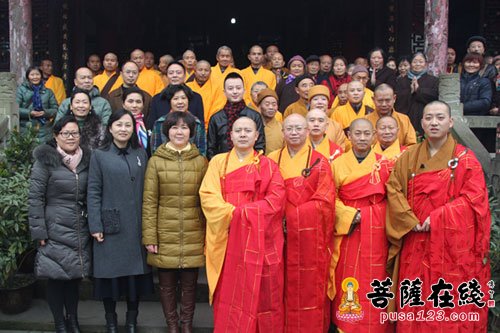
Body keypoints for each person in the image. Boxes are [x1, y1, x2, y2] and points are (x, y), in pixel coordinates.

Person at [386, 100, 491, 333]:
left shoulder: (465, 159)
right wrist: (409, 220)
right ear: (421, 123)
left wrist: (439, 217)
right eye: (429, 118)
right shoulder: (408, 156)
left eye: (440, 117)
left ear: (450, 122)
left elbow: (475, 200)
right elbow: (393, 189)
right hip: (415, 240)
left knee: (447, 299)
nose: (434, 122)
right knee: (415, 296)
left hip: (450, 247)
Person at [200, 117, 286, 332]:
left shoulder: (268, 165)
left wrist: (243, 213)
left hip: (261, 240)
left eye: (248, 130)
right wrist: (234, 214)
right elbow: (208, 197)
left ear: (257, 136)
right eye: (238, 130)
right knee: (229, 290)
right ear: (230, 135)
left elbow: (276, 199)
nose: (243, 134)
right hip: (228, 238)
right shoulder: (218, 162)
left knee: (263, 294)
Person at [87, 109, 154, 333]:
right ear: (110, 128)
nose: (123, 129)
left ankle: (132, 321)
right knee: (110, 278)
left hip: (135, 227)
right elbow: (93, 191)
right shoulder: (99, 155)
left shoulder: (140, 153)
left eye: (127, 125)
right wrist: (95, 224)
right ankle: (111, 322)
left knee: (134, 279)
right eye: (119, 125)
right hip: (110, 225)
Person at [268, 114, 335, 333]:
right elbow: (265, 195)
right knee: (277, 288)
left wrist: (294, 216)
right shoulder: (271, 159)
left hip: (308, 238)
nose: (294, 132)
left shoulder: (319, 161)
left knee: (307, 287)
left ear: (307, 131)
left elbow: (325, 201)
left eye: (299, 128)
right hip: (276, 234)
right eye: (289, 128)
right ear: (282, 132)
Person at [142, 111, 207, 332]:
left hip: (193, 231)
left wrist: (208, 235)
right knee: (167, 285)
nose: (179, 132)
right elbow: (149, 202)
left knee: (190, 285)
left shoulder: (201, 161)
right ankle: (172, 325)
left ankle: (186, 324)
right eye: (174, 127)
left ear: (192, 131)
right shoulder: (155, 161)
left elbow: (205, 202)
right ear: (166, 131)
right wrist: (150, 236)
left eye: (184, 127)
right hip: (164, 232)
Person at [29, 116, 91, 333]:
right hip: (53, 226)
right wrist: (39, 231)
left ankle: (72, 319)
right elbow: (35, 197)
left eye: (75, 133)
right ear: (56, 136)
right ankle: (60, 323)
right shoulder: (45, 161)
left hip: (78, 226)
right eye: (66, 133)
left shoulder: (86, 160)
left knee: (73, 277)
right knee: (56, 276)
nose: (71, 137)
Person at [331, 118, 393, 333]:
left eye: (367, 133)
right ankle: (346, 325)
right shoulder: (337, 163)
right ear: (349, 136)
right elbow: (330, 197)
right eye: (358, 133)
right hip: (349, 230)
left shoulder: (385, 163)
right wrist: (350, 215)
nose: (363, 138)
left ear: (374, 136)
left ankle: (375, 326)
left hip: (377, 231)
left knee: (376, 277)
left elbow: (393, 197)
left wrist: (369, 214)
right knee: (348, 276)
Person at [207, 72, 265, 159]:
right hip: (223, 166)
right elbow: (211, 149)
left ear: (244, 91)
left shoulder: (255, 116)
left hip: (249, 166)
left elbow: (260, 146)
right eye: (230, 88)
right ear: (224, 92)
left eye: (238, 88)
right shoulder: (216, 118)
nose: (235, 91)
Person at [151, 84, 206, 156]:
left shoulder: (197, 124)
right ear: (169, 102)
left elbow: (201, 153)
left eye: (183, 98)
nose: (180, 102)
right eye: (175, 98)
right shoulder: (160, 123)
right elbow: (155, 152)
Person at [148, 61, 205, 129]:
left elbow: (200, 124)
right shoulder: (158, 98)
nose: (174, 75)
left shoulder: (195, 97)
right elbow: (152, 125)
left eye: (178, 73)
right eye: (171, 73)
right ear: (167, 76)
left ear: (184, 76)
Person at [395, 52, 439, 134]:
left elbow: (435, 96)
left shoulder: (433, 80)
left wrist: (419, 90)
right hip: (408, 116)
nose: (417, 64)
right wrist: (410, 92)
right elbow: (397, 98)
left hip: (425, 116)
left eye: (421, 62)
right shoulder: (401, 80)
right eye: (415, 62)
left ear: (425, 64)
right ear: (411, 63)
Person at [16, 66, 58, 142]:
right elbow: (15, 108)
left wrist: (45, 112)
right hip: (26, 128)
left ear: (41, 76)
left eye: (37, 74)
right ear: (28, 77)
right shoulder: (21, 90)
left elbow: (55, 109)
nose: (35, 77)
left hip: (44, 129)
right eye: (32, 75)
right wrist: (29, 112)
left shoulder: (48, 92)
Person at [186, 60, 227, 128]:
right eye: (200, 70)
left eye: (206, 70)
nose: (203, 73)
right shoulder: (187, 87)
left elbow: (218, 108)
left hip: (211, 126)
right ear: (195, 72)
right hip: (189, 125)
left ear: (210, 72)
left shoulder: (217, 88)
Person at [308, 85, 347, 149]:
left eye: (323, 99)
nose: (320, 102)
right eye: (315, 99)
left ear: (328, 102)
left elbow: (340, 149)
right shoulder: (302, 124)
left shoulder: (336, 126)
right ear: (310, 102)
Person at [257, 88, 284, 154]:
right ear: (259, 106)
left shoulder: (282, 128)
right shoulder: (254, 127)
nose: (271, 107)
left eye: (274, 104)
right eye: (267, 104)